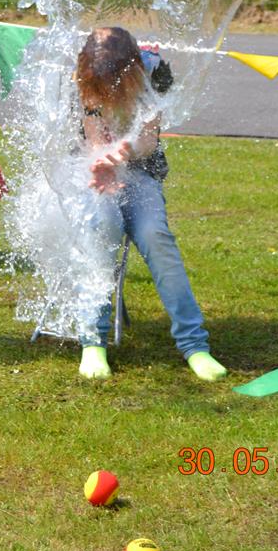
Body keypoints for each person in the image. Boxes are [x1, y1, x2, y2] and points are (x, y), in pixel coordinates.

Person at [73, 25, 226, 383]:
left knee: (156, 236)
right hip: (91, 169)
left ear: (131, 67)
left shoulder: (154, 71)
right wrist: (103, 163)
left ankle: (195, 346)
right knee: (103, 225)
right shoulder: (82, 76)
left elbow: (148, 141)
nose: (108, 88)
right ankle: (92, 341)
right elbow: (94, 141)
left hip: (141, 170)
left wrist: (124, 153)